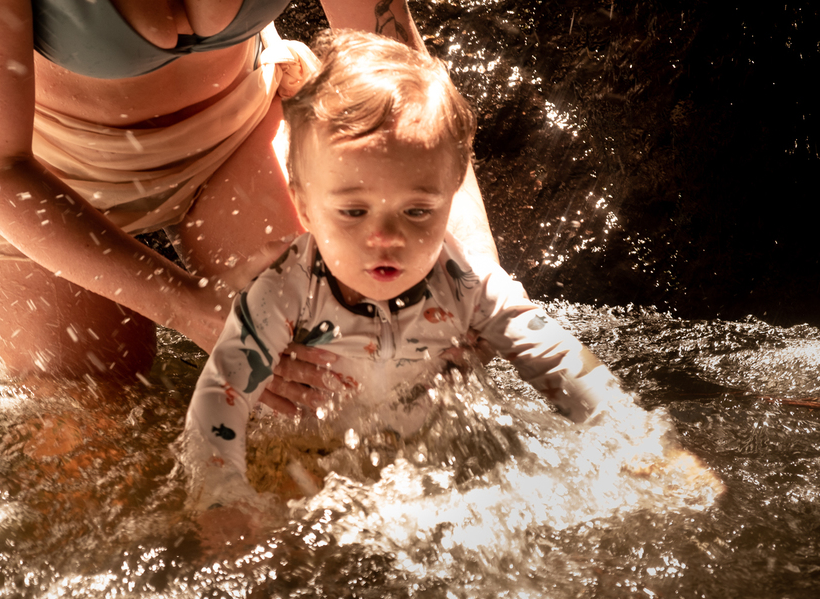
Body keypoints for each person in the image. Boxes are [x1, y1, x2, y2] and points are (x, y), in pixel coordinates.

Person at [0, 0, 499, 412]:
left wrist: (476, 272)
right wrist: (192, 311)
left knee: (341, 375)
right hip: (51, 180)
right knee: (88, 437)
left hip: (238, 133)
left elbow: (411, 87)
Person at [180, 30, 627, 512]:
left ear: (450, 196)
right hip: (308, 468)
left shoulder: (463, 281)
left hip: (435, 464)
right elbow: (219, 395)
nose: (386, 237)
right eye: (354, 212)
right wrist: (221, 494)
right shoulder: (286, 291)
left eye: (417, 211)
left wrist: (631, 439)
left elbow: (554, 355)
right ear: (305, 208)